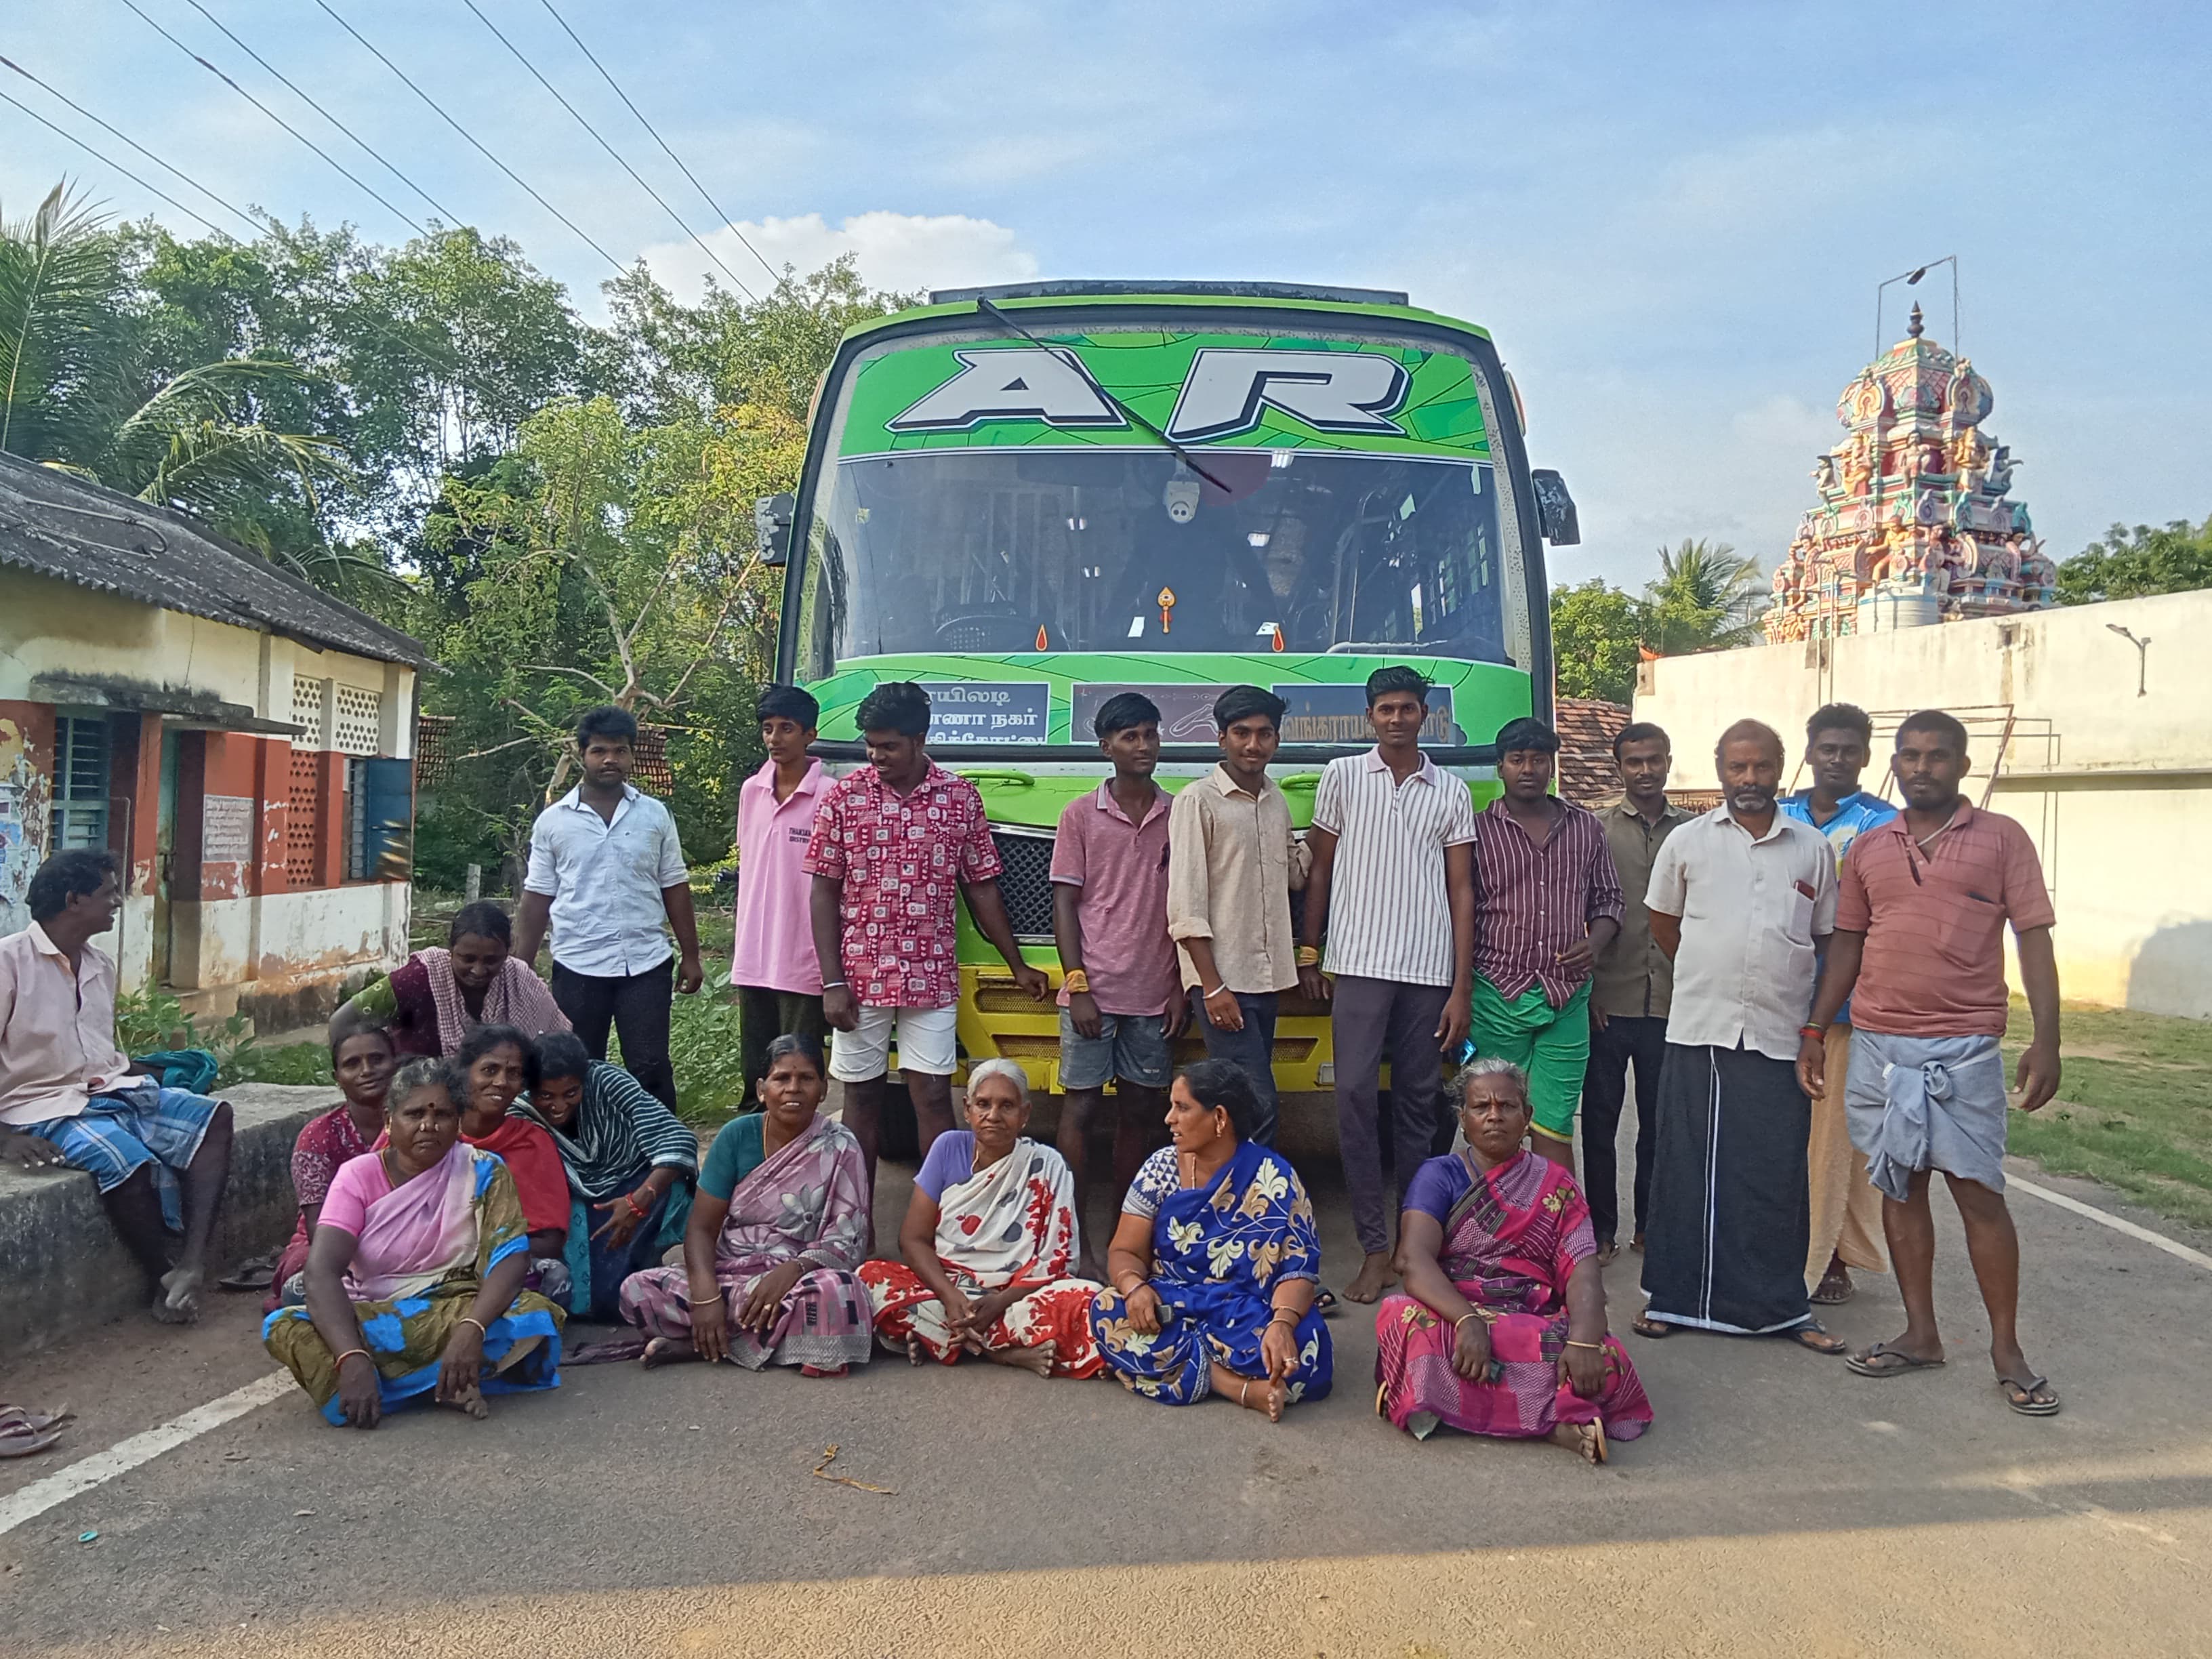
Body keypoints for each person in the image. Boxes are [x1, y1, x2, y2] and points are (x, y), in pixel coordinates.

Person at [1799, 710, 2063, 1416]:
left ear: (1962, 765)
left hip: (1965, 1045)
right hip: (1881, 1043)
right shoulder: (1871, 848)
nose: (1922, 768)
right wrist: (1815, 1029)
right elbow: (1848, 946)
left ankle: (2007, 1348)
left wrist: (2049, 1038)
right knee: (1900, 1186)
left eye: (1937, 756)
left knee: (1978, 1193)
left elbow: (2034, 937)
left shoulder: (2003, 840)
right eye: (1910, 756)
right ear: (1895, 763)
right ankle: (1921, 1334)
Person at [1634, 720, 1847, 1354]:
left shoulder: (1812, 849)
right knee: (1687, 1168)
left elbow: (1828, 939)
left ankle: (1783, 1308)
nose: (1748, 781)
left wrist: (1812, 1026)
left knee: (1775, 1173)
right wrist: (1715, 969)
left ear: (1782, 769)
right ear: (1720, 769)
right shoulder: (1688, 843)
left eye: (1760, 768)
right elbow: (1664, 924)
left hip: (1781, 1033)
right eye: (1737, 768)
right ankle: (1674, 1300)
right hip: (1701, 1026)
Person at [805, 681, 1048, 1193]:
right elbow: (823, 892)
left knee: (934, 1097)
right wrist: (831, 981)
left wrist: (1016, 963)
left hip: (930, 974)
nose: (877, 755)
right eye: (871, 745)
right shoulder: (844, 798)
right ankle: (855, 1223)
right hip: (859, 976)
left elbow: (982, 888)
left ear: (920, 739)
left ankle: (944, 1219)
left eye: (889, 745)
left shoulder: (960, 799)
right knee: (862, 1100)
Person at [1298, 666, 1477, 1303]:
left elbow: (1462, 890)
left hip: (1429, 973)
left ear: (1425, 715)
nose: (1396, 717)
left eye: (1407, 708)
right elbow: (1319, 870)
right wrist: (1310, 950)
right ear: (1370, 716)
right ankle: (1373, 1247)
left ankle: (1414, 1245)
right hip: (1358, 966)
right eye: (1385, 709)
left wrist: (1461, 988)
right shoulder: (1343, 776)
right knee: (1351, 1099)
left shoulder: (1451, 790)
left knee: (1418, 1108)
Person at [263, 1057, 565, 1427]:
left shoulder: (482, 1168)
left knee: (535, 1316)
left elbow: (510, 1259)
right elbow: (322, 1271)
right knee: (284, 1326)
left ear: (458, 1122)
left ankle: (402, 1387)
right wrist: (351, 1356)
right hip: (377, 1313)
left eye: (443, 1115)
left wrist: (472, 1328)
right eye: (414, 1114)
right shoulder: (357, 1177)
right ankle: (441, 1383)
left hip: (456, 1307)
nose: (428, 1125)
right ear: (389, 1121)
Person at [1376, 1059, 1652, 1459]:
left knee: (1603, 1357)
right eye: (1480, 1107)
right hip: (1455, 1312)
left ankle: (1446, 1405)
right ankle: (1556, 1421)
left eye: (1506, 1106)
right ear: (1462, 1117)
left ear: (1528, 1117)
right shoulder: (1439, 1175)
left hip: (1532, 1316)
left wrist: (1583, 1339)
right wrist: (1467, 1320)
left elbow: (1583, 1271)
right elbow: (1412, 1260)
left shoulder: (1557, 1185)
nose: (1494, 1116)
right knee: (1404, 1318)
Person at [0, 851, 234, 1324]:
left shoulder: (99, 965)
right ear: (74, 900)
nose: (117, 903)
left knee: (213, 1116)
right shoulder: (9, 964)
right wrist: (5, 1139)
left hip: (106, 1090)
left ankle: (192, 1263)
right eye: (109, 892)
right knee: (121, 1157)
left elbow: (95, 1050)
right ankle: (161, 1276)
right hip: (41, 1106)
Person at [1089, 1060, 1332, 1420]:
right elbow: (1124, 1250)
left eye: (1182, 1108)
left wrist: (1281, 1325)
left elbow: (1298, 1268)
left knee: (1303, 1343)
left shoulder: (1274, 1177)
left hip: (1246, 1307)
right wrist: (1134, 1287)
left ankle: (1178, 1368)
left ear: (1220, 1117)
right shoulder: (1161, 1169)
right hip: (1172, 1300)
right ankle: (1232, 1385)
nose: (1169, 1119)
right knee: (1107, 1309)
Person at [618, 1035, 874, 1374]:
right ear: (761, 1089)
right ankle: (746, 1336)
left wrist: (790, 1271)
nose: (793, 1088)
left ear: (824, 1089)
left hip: (799, 1281)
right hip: (733, 1278)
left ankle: (704, 1345)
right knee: (638, 1290)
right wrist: (706, 1298)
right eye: (781, 1078)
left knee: (839, 1292)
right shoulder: (737, 1136)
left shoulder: (841, 1145)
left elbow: (847, 1238)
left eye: (806, 1079)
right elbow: (701, 1228)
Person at [858, 1059, 1103, 1377]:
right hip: (949, 1285)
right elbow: (913, 1238)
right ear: (967, 1108)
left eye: (1007, 1106)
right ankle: (1003, 1353)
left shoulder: (1048, 1164)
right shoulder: (947, 1148)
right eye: (983, 1104)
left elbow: (1056, 1261)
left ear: (1025, 1114)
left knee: (1087, 1299)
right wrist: (949, 1295)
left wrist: (1000, 1301)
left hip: (1017, 1294)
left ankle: (944, 1338)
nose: (993, 1116)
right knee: (868, 1278)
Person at [1051, 691, 1182, 1278]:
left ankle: (1123, 1240)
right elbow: (1065, 903)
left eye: (1151, 734)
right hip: (1094, 992)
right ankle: (1075, 1241)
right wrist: (1078, 986)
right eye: (1130, 737)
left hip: (1156, 993)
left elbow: (1188, 906)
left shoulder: (1180, 813)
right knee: (1079, 1110)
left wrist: (1181, 984)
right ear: (1106, 747)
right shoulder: (1080, 815)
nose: (1144, 746)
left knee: (1142, 1113)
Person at [514, 705, 702, 1112]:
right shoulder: (554, 822)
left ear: (633, 755)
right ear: (582, 754)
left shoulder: (654, 815)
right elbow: (537, 898)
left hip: (646, 964)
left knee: (650, 1066)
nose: (610, 760)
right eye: (599, 751)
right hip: (577, 965)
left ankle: (663, 1159)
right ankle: (586, 1158)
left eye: (620, 751)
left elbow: (675, 884)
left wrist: (691, 956)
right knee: (577, 1069)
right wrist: (520, 967)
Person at [1779, 702, 1898, 1306]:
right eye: (1827, 747)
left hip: (1845, 1008)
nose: (1837, 758)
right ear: (1809, 752)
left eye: (1849, 750)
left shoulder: (1884, 825)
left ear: (1866, 758)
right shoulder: (1777, 814)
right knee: (1777, 1134)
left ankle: (1830, 1256)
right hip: (1773, 1002)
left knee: (1833, 1142)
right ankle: (1774, 1244)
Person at [1466, 718, 1624, 1170]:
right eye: (1517, 760)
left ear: (1552, 766)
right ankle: (1495, 1234)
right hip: (1495, 993)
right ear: (1500, 767)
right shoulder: (1477, 831)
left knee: (1553, 1123)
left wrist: (1595, 942)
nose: (1528, 769)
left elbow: (1611, 899)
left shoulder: (1585, 829)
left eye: (1538, 760)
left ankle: (1560, 1234)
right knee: (1496, 1122)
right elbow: (1459, 909)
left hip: (1566, 995)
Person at [1165, 687, 1311, 1147]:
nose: (1254, 744)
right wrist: (1212, 987)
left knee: (1243, 1099)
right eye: (1242, 733)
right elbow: (1185, 905)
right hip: (1223, 982)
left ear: (1277, 740)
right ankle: (1247, 1198)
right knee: (1257, 1101)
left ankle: (1235, 1195)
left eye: (1264, 734)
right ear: (1221, 738)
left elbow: (1294, 876)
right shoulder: (1197, 801)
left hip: (1267, 978)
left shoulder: (1274, 800)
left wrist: (1332, 830)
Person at [1585, 720, 1692, 1261]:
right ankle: (1601, 1230)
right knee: (1600, 1125)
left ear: (1669, 761)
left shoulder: (1696, 833)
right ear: (1619, 766)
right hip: (1609, 1002)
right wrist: (1588, 993)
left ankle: (1651, 1226)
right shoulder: (1596, 831)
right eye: (1634, 762)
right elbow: (1579, 913)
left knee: (1660, 1125)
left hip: (1674, 1004)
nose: (1645, 771)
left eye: (1655, 760)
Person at [514, 1031, 700, 1323]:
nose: (559, 1106)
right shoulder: (520, 1111)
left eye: (571, 1093)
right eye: (546, 1096)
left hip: (640, 1187)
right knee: (601, 1303)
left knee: (672, 1182)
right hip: (574, 1201)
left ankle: (654, 1257)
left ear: (584, 1080)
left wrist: (637, 1202)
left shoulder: (608, 1082)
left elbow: (675, 1139)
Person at [731, 684, 830, 1113]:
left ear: (810, 734)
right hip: (754, 952)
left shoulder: (830, 795)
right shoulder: (752, 791)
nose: (775, 739)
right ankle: (753, 1154)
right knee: (756, 1066)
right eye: (768, 729)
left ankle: (803, 1152)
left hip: (803, 954)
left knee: (798, 1067)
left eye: (786, 729)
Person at [331, 901, 569, 1060]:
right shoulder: (418, 978)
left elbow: (560, 1041)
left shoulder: (520, 980)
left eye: (491, 961)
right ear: (450, 949)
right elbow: (342, 1021)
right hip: (423, 1104)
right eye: (468, 959)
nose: (478, 970)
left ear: (508, 952)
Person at [270, 1025, 397, 1308]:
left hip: (416, 1239)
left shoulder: (420, 1124)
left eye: (377, 1059)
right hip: (335, 1246)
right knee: (301, 1285)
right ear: (337, 1078)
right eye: (352, 1064)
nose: (366, 1070)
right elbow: (319, 1228)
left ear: (396, 1064)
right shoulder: (317, 1137)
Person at [446, 1026, 569, 1269]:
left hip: (507, 1267)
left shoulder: (531, 1142)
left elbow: (550, 1242)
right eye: (490, 1070)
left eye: (513, 1073)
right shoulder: (431, 1131)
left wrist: (476, 1251)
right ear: (464, 1073)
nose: (501, 1082)